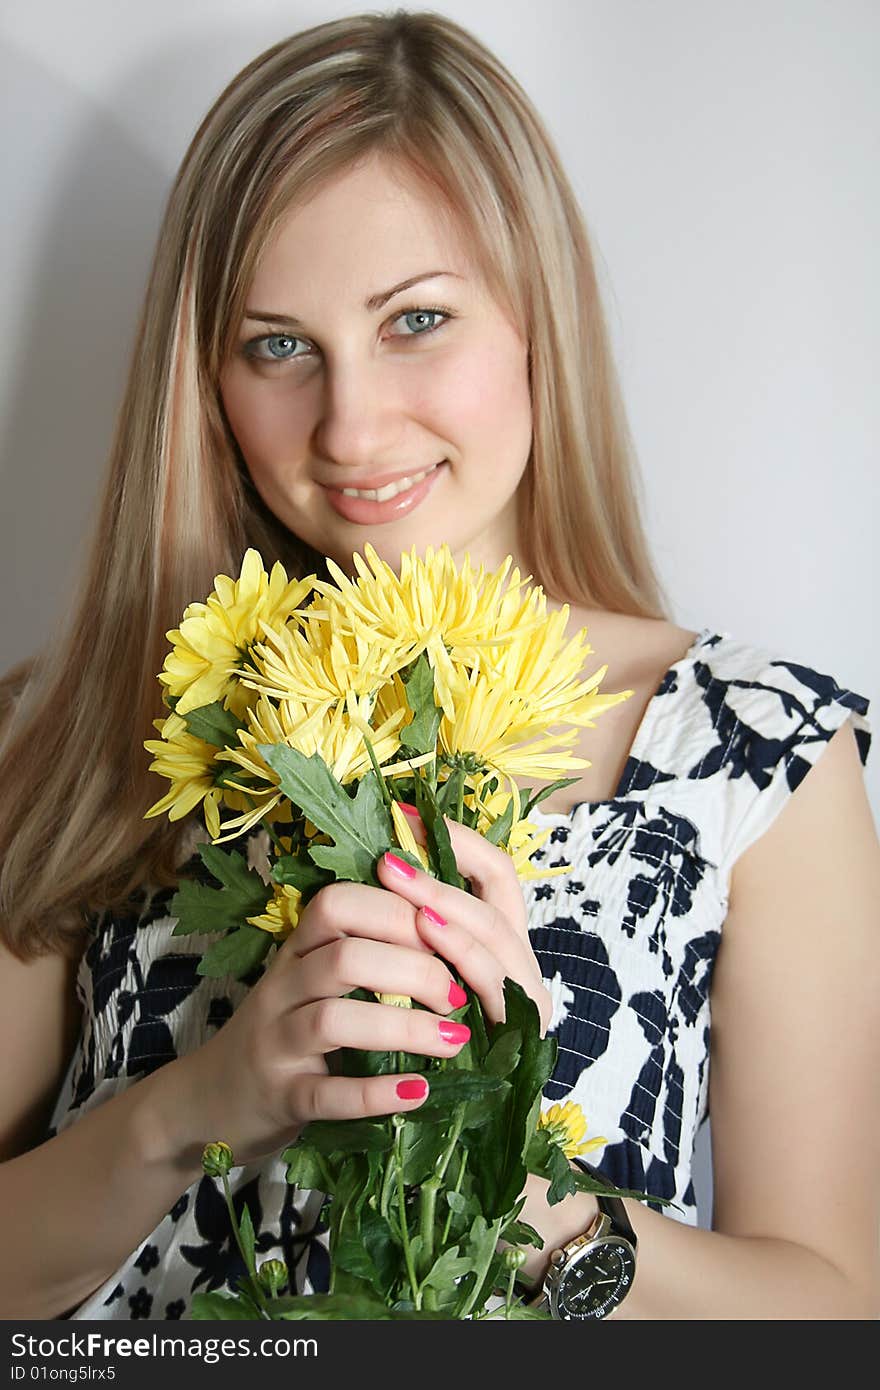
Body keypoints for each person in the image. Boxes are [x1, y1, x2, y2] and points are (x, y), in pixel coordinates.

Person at [0, 10, 877, 1322]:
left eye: (414, 320)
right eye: (278, 344)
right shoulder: (78, 723)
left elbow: (835, 1307)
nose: (349, 425)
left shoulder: (758, 752)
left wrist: (525, 1185)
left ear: (539, 317)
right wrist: (201, 1102)